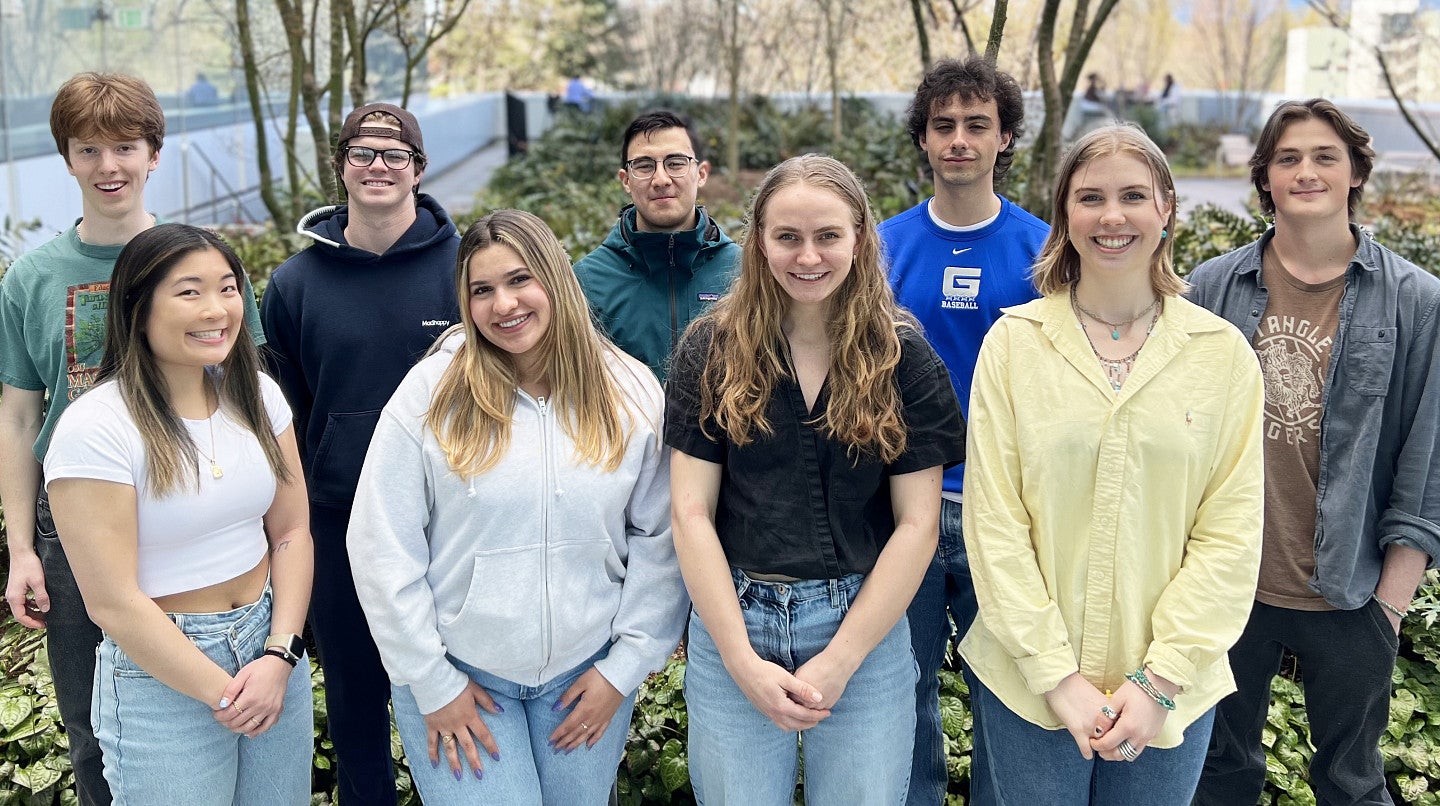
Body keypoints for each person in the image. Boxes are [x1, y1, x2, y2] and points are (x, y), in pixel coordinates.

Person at [960, 124, 1265, 805]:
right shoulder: (1013, 346)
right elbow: (995, 525)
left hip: (1169, 694)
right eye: (1090, 197)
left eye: (1133, 195)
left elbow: (1231, 535)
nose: (1112, 215)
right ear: (1065, 213)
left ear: (1167, 210)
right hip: (1030, 690)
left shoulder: (1222, 357)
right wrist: (1056, 677)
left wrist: (1159, 681)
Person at [348, 209, 686, 803]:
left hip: (587, 677)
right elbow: (380, 542)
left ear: (555, 280)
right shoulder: (431, 393)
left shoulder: (629, 391)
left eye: (519, 280)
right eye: (482, 290)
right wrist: (432, 681)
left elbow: (661, 535)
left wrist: (626, 666)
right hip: (463, 676)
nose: (503, 304)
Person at [666, 153, 966, 804]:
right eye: (788, 237)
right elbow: (690, 512)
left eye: (828, 236)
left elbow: (918, 523)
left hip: (862, 624)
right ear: (759, 243)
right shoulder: (710, 349)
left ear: (859, 239)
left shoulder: (901, 355)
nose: (809, 257)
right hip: (734, 622)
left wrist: (844, 657)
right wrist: (741, 661)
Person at [0, 72, 264, 806]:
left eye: (125, 147)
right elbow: (20, 415)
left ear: (154, 154)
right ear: (67, 158)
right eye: (89, 149)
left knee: (217, 696)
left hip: (194, 510)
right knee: (89, 723)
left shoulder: (202, 261)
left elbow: (250, 394)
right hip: (78, 528)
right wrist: (22, 548)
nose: (108, 166)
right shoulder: (32, 277)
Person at [1190, 99, 1440, 806]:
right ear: (1263, 176)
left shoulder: (1416, 301)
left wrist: (1389, 605)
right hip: (1229, 586)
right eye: (1288, 157)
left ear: (1356, 170)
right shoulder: (1212, 288)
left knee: (1351, 785)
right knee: (1219, 776)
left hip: (1351, 589)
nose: (1306, 171)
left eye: (1325, 156)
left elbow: (1427, 461)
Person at [42, 223, 313, 803]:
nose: (216, 309)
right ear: (138, 309)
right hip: (161, 674)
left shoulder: (260, 396)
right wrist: (228, 692)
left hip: (270, 646)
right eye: (189, 292)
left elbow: (290, 532)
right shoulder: (96, 428)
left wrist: (280, 655)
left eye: (228, 288)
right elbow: (113, 602)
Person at [260, 101, 461, 805]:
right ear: (341, 165)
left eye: (394, 154)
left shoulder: (466, 269)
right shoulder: (292, 285)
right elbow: (287, 417)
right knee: (354, 707)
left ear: (418, 169)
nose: (378, 166)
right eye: (363, 153)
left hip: (450, 529)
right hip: (339, 530)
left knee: (457, 700)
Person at [879, 55, 1048, 806]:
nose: (959, 140)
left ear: (1005, 136)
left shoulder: (1046, 251)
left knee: (1006, 695)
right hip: (903, 512)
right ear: (923, 138)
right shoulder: (880, 246)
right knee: (901, 693)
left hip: (1005, 515)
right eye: (943, 125)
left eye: (977, 125)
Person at [574, 109, 740, 381]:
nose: (661, 179)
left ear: (701, 173)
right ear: (626, 180)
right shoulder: (588, 282)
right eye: (644, 165)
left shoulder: (743, 271)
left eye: (675, 163)